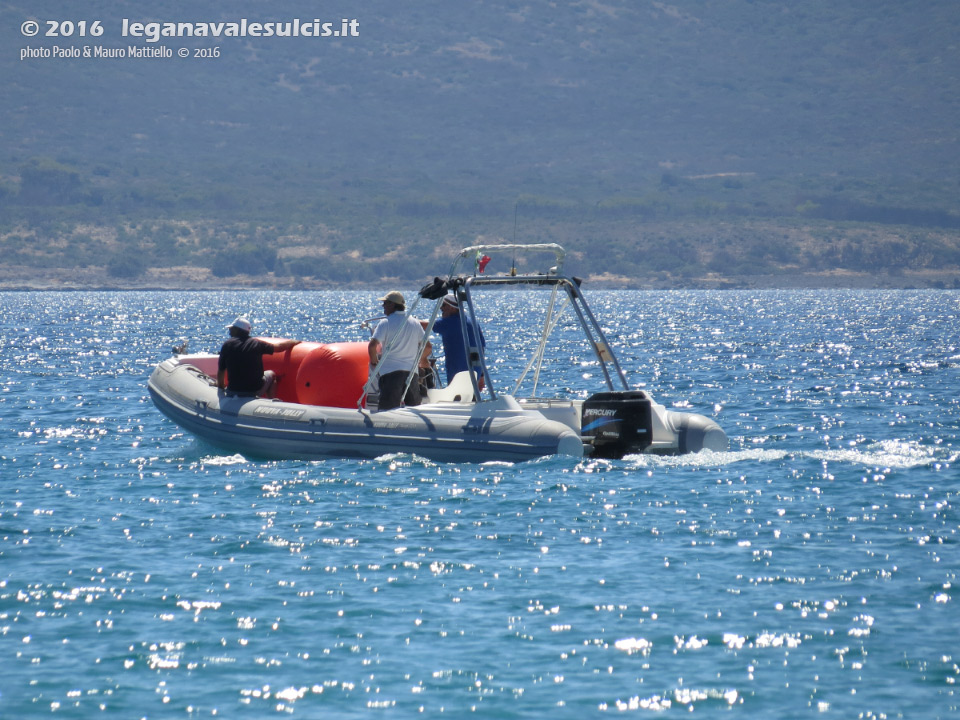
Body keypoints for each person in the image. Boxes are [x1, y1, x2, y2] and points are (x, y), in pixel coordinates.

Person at [368, 291, 426, 410]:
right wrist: (419, 361)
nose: (383, 306)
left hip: (390, 374)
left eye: (385, 303)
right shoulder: (415, 323)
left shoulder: (385, 323)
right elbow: (428, 346)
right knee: (413, 410)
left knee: (387, 412)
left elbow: (372, 346)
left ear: (392, 305)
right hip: (411, 374)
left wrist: (374, 362)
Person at [217, 317, 300, 398]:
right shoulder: (257, 344)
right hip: (253, 391)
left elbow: (221, 371)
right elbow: (278, 348)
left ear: (237, 330)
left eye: (232, 329)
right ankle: (271, 402)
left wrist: (220, 389)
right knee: (271, 374)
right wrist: (292, 342)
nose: (229, 331)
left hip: (233, 391)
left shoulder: (227, 345)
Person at [429, 294, 486, 387]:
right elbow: (481, 350)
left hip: (457, 375)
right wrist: (482, 375)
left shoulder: (448, 322)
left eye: (443, 305)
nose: (441, 308)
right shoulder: (473, 322)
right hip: (475, 374)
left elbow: (427, 326)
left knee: (457, 399)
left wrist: (409, 321)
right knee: (472, 398)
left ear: (452, 308)